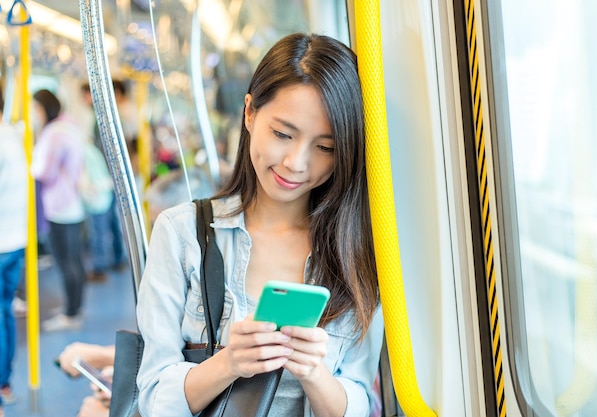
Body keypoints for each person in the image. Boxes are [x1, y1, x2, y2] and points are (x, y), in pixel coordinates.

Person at [136, 33, 384, 417]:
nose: (296, 163)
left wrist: (315, 374)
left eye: (325, 148)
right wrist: (229, 362)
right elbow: (153, 398)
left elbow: (361, 400)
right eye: (283, 134)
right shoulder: (182, 233)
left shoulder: (358, 252)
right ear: (250, 113)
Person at [31, 89, 88, 331]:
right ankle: (74, 308)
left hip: (59, 205)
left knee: (67, 262)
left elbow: (45, 171)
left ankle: (71, 313)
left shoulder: (54, 135)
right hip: (73, 202)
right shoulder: (70, 128)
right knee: (74, 260)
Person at [79, 82, 128, 281]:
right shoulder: (107, 116)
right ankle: (117, 258)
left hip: (105, 177)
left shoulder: (101, 119)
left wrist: (102, 179)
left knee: (100, 221)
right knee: (111, 220)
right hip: (112, 177)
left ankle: (100, 265)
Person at [0, 92, 27, 414]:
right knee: (4, 312)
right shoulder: (13, 134)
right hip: (15, 239)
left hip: (2, 241)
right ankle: (4, 383)